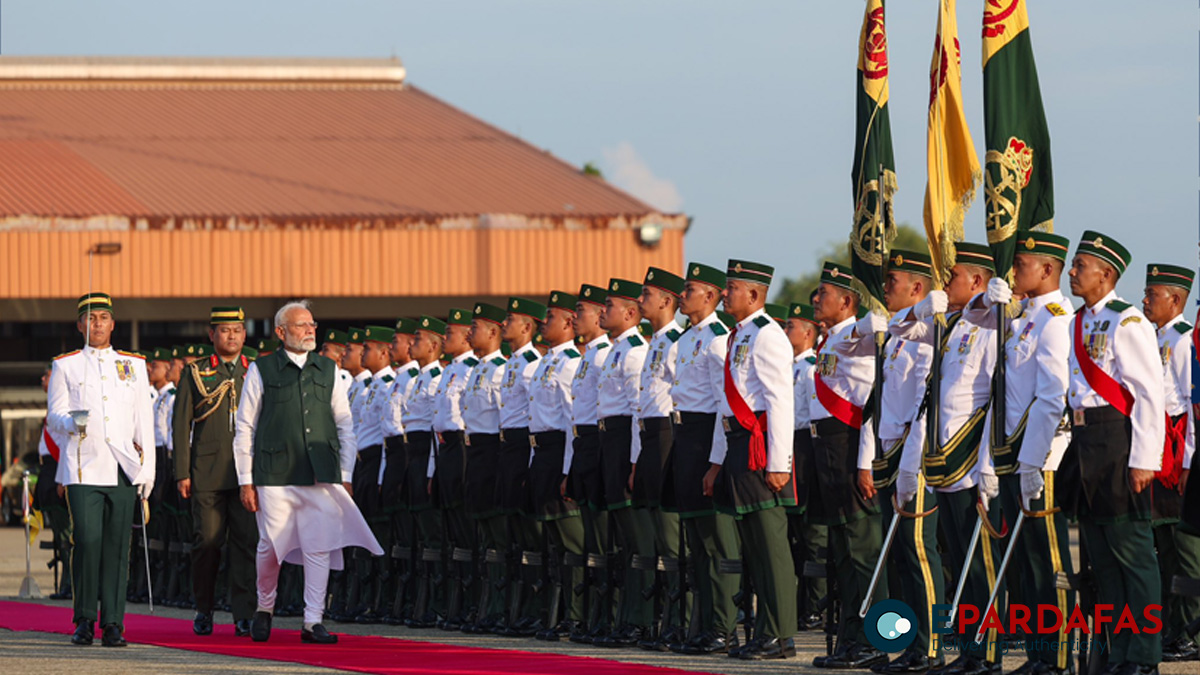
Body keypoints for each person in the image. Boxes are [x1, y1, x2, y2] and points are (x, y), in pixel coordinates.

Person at [233, 300, 383, 644]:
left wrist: (345, 473)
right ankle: (264, 607)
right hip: (274, 472)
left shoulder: (328, 370)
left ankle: (312, 621)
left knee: (319, 546)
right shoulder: (263, 369)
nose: (310, 330)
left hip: (321, 472)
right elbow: (245, 426)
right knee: (271, 545)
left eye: (312, 324)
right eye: (301, 325)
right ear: (282, 332)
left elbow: (345, 424)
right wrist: (246, 480)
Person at [966, 232, 1076, 675]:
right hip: (1013, 454)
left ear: (1048, 269)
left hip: (1041, 458)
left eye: (1022, 264)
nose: (1012, 273)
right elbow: (973, 327)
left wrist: (1033, 462)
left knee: (1051, 565)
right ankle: (1037, 654)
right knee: (1027, 568)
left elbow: (1052, 397)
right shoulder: (1023, 317)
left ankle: (1060, 656)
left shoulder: (1055, 318)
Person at [1061, 231, 1165, 674]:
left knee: (1133, 557)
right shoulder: (1077, 322)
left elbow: (1148, 394)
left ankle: (1144, 656)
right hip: (1085, 444)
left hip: (1119, 442)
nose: (1072, 272)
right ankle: (1116, 652)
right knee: (1102, 560)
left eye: (1080, 266)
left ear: (1106, 274)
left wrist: (1145, 459)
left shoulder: (1128, 323)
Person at [47, 292, 156, 647]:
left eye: (103, 318)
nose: (97, 324)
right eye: (90, 318)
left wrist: (147, 473)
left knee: (116, 546)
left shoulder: (133, 365)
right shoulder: (67, 365)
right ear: (80, 325)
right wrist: (71, 421)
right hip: (82, 466)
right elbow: (54, 415)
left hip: (123, 466)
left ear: (113, 323)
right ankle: (84, 619)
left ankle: (113, 622)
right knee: (88, 542)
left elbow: (144, 421)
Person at [705, 258, 796, 661]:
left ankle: (780, 635)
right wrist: (718, 460)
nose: (725, 294)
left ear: (755, 295)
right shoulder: (737, 335)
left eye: (732, 287)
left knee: (771, 544)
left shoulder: (767, 335)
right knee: (755, 548)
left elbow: (780, 400)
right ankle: (765, 632)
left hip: (761, 449)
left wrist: (780, 463)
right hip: (739, 445)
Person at [807, 262, 882, 668]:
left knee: (863, 553)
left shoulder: (857, 339)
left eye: (824, 293)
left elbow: (869, 405)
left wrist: (866, 463)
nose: (816, 299)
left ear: (847, 301)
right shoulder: (830, 341)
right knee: (843, 553)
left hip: (852, 450)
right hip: (828, 452)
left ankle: (875, 639)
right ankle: (852, 637)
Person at [668, 263, 742, 655]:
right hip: (684, 437)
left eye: (690, 289)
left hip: (707, 439)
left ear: (710, 296)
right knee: (696, 540)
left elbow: (722, 406)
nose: (682, 295)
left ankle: (723, 627)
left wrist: (716, 462)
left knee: (716, 542)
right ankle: (703, 625)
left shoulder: (717, 339)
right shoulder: (684, 340)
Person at [173, 306, 258, 637]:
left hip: (246, 473)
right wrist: (182, 471)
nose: (232, 336)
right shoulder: (195, 373)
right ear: (212, 335)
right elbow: (181, 425)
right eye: (225, 330)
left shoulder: (256, 371)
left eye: (237, 329)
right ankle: (204, 609)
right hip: (206, 472)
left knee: (246, 543)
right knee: (207, 543)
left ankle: (244, 614)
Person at [1141, 263, 1198, 662]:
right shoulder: (1151, 337)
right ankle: (1168, 628)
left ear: (1175, 300)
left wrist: (1189, 464)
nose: (1145, 300)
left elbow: (1191, 409)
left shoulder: (1182, 341)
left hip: (1176, 456)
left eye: (1153, 294)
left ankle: (1188, 631)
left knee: (1183, 549)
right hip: (1155, 449)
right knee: (1161, 545)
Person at [594, 279, 652, 647]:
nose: (603, 311)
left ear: (629, 313)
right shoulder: (617, 349)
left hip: (625, 443)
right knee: (622, 542)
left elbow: (636, 411)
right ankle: (624, 616)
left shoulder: (633, 351)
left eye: (609, 305)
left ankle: (640, 619)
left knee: (637, 541)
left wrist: (634, 460)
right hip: (609, 442)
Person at [631, 267, 687, 650]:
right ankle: (662, 620)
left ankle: (680, 622)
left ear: (667, 301)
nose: (640, 301)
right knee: (652, 534)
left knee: (671, 537)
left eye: (646, 294)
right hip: (649, 437)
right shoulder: (653, 342)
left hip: (669, 434)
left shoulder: (679, 341)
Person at [528, 290, 587, 640]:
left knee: (571, 540)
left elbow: (570, 422)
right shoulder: (546, 362)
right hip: (540, 453)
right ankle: (555, 613)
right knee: (552, 542)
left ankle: (576, 614)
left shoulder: (569, 364)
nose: (543, 323)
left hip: (558, 452)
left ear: (567, 323)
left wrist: (567, 471)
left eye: (550, 317)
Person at [566, 283, 615, 643]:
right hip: (582, 445)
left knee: (602, 536)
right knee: (590, 541)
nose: (574, 317)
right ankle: (592, 616)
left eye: (580, 311)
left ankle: (607, 616)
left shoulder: (604, 355)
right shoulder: (588, 357)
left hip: (599, 444)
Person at [496, 297, 547, 636]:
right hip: (507, 448)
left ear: (527, 327)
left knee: (533, 534)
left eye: (510, 319)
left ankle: (538, 607)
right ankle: (522, 608)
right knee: (515, 533)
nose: (504, 324)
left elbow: (535, 417)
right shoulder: (513, 363)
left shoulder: (532, 363)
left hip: (524, 447)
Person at [459, 303, 509, 634]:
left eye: (474, 327)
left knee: (499, 535)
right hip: (474, 452)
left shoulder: (502, 369)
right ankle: (488, 606)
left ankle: (502, 607)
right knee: (484, 536)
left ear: (492, 332)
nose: (467, 333)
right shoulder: (476, 369)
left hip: (494, 452)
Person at [430, 309, 478, 630]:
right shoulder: (449, 371)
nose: (444, 339)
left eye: (451, 334)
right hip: (444, 448)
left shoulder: (474, 369)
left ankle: (474, 602)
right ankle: (457, 604)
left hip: (462, 447)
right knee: (451, 529)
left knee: (466, 528)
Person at [399, 316, 447, 628]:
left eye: (417, 340)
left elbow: (435, 434)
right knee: (418, 532)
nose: (410, 345)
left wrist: (431, 470)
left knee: (433, 534)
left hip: (426, 454)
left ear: (432, 346)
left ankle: (439, 604)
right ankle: (423, 602)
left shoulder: (435, 378)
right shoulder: (418, 378)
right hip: (410, 455)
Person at [784, 302, 826, 635]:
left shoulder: (811, 367)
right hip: (790, 446)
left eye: (790, 327)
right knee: (795, 532)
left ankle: (817, 606)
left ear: (809, 333)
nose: (785, 333)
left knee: (813, 533)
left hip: (806, 447)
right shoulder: (789, 367)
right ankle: (801, 604)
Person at [35, 363, 73, 601]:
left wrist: (64, 477)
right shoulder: (52, 406)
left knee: (68, 534)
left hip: (58, 469)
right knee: (59, 534)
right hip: (48, 469)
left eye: (47, 374)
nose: (42, 379)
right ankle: (65, 584)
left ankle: (71, 584)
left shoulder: (63, 408)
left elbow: (65, 446)